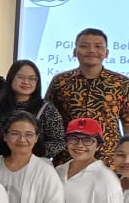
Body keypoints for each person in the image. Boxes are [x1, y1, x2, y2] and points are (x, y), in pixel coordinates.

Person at [47, 28, 129, 164]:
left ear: (107, 53)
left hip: (108, 158)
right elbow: (48, 120)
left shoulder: (121, 83)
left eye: (98, 46)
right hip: (67, 157)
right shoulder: (60, 82)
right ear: (74, 51)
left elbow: (127, 123)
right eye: (84, 46)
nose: (91, 50)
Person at [0, 60, 65, 160]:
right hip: (1, 162)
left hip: (34, 164)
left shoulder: (47, 109)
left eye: (32, 78)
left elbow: (59, 141)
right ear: (11, 78)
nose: (26, 82)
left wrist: (33, 154)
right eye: (20, 77)